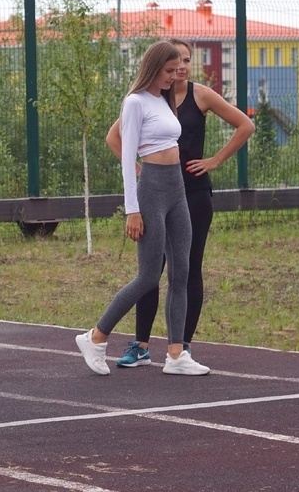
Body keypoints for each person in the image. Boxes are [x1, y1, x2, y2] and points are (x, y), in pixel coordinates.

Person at [106, 38, 255, 368]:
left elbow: (246, 125)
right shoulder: (148, 99)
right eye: (175, 63)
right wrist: (137, 169)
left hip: (194, 193)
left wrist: (214, 161)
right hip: (157, 190)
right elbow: (115, 138)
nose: (182, 67)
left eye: (187, 60)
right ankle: (140, 344)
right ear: (161, 65)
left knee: (187, 269)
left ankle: (180, 347)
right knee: (151, 271)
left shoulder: (200, 94)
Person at [75, 40, 210, 376]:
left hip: (177, 188)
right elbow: (126, 157)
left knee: (181, 270)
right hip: (150, 190)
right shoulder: (134, 102)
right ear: (153, 68)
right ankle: (96, 337)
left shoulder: (163, 100)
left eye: (177, 68)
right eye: (168, 70)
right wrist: (132, 209)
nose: (174, 75)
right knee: (149, 276)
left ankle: (176, 354)